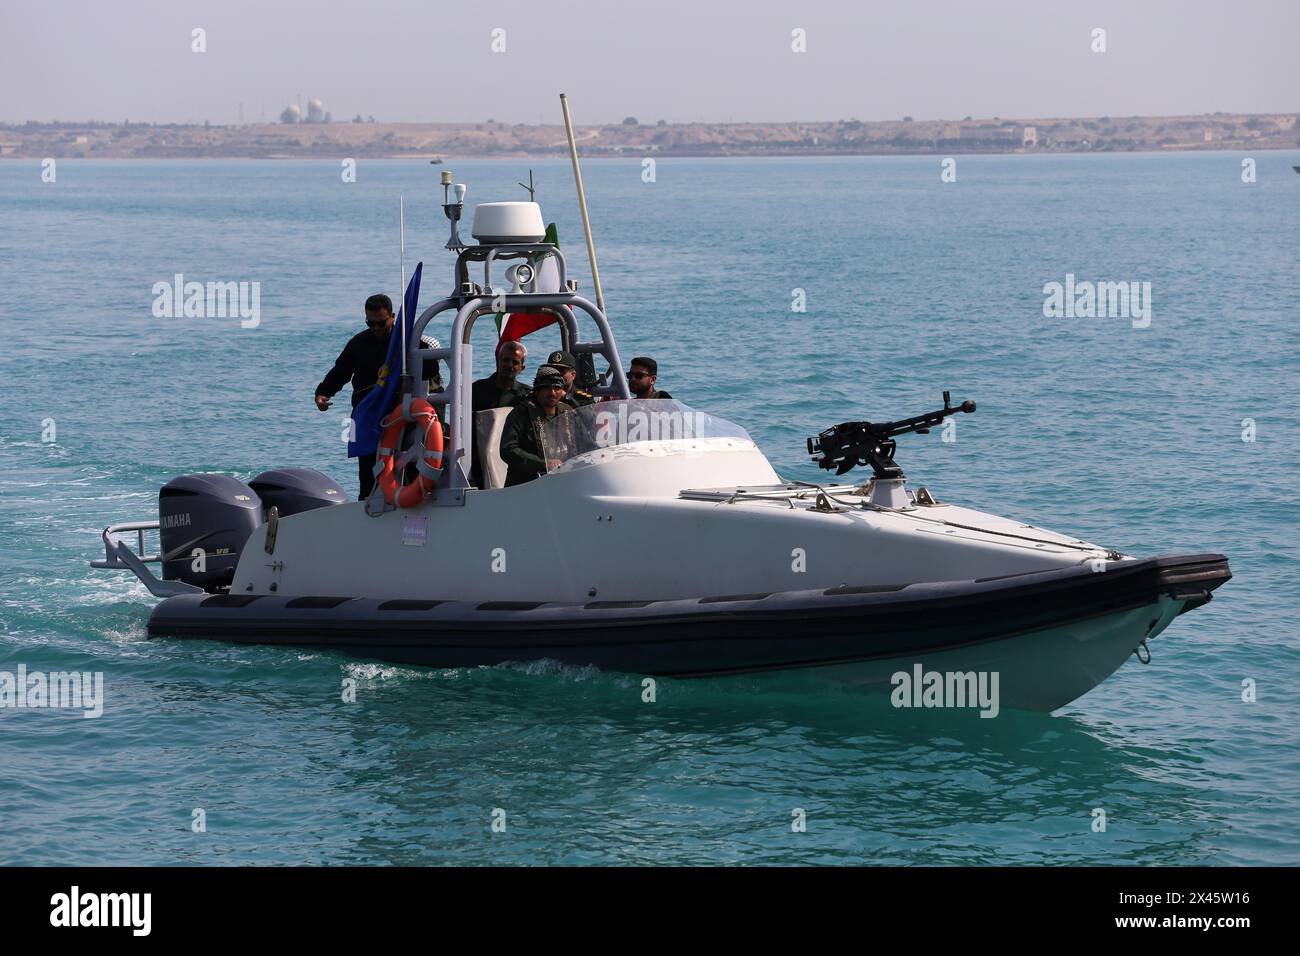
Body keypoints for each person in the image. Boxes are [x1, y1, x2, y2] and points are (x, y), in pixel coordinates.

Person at [315, 294, 441, 499]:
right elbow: (341, 370)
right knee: (367, 470)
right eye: (370, 323)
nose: (375, 328)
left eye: (381, 323)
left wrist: (411, 353)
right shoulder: (358, 343)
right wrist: (323, 392)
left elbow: (431, 369)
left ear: (392, 317)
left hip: (400, 413)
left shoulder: (407, 341)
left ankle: (408, 498)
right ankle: (367, 503)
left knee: (406, 465)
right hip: (368, 413)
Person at [470, 340, 532, 487]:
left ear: (522, 368)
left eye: (515, 362)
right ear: (498, 361)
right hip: (478, 457)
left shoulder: (527, 395)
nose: (509, 365)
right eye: (505, 360)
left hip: (511, 457)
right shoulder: (476, 390)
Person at [500, 366, 575, 486]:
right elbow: (508, 450)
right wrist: (543, 463)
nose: (552, 393)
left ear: (562, 391)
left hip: (563, 481)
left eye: (557, 388)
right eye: (546, 388)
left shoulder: (568, 412)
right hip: (526, 485)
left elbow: (582, 443)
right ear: (537, 390)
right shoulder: (521, 413)